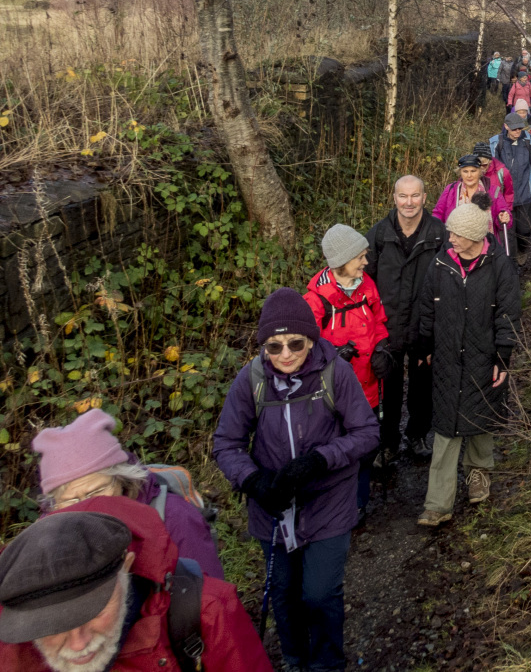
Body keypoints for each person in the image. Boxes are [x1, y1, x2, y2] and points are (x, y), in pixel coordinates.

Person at [214, 287, 380, 672]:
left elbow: (367, 432)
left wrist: (320, 461)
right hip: (272, 507)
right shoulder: (251, 380)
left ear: (311, 339)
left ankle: (326, 664)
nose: (285, 354)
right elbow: (227, 443)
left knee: (319, 593)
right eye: (274, 346)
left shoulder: (335, 372)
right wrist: (253, 482)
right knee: (284, 595)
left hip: (329, 500)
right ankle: (293, 659)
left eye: (295, 343)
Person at [0, 499, 273, 672]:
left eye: (94, 611)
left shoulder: (206, 612)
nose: (79, 643)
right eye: (53, 625)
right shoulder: (11, 646)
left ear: (126, 567)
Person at [415, 201, 521, 527]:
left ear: (474, 237)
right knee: (446, 427)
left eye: (456, 234)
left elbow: (508, 314)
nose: (450, 239)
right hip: (447, 356)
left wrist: (502, 356)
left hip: (483, 354)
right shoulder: (440, 263)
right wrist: (424, 344)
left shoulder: (500, 265)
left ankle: (478, 473)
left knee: (481, 417)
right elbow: (426, 309)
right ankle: (437, 503)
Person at [31, 409, 224, 579]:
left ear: (121, 479)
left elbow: (209, 601)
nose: (87, 505)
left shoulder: (175, 517)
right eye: (71, 500)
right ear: (53, 502)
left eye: (97, 491)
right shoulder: (48, 529)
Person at [304, 224, 391, 515]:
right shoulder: (316, 300)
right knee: (339, 450)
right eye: (360, 257)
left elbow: (379, 322)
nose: (366, 262)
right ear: (342, 260)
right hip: (334, 393)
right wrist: (332, 356)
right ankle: (335, 509)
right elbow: (304, 348)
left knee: (366, 448)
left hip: (368, 386)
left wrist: (382, 349)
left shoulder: (367, 285)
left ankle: (358, 504)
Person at [365, 176, 446, 460]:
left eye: (415, 196)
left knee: (423, 386)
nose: (409, 202)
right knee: (389, 388)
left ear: (425, 198)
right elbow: (365, 284)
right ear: (394, 197)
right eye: (403, 196)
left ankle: (417, 434)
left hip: (425, 328)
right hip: (388, 328)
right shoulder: (377, 235)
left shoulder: (439, 235)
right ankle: (387, 442)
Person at [489, 112, 531, 266]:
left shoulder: (529, 141)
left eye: (520, 128)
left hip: (525, 195)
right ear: (506, 126)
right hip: (503, 199)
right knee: (508, 233)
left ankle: (524, 253)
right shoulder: (496, 143)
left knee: (525, 230)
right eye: (514, 129)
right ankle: (513, 265)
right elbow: (490, 171)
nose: (517, 132)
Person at [432, 154, 512, 241]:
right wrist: (436, 232)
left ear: (480, 171)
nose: (469, 175)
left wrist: (503, 218)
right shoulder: (451, 190)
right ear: (460, 172)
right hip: (455, 243)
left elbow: (504, 216)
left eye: (473, 171)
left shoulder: (492, 191)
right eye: (465, 171)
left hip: (486, 244)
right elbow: (438, 214)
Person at [473, 142, 514, 218]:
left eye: (484, 165)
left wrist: (506, 211)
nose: (481, 168)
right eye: (478, 165)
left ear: (490, 161)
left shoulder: (502, 172)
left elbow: (509, 193)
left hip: (496, 213)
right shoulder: (470, 173)